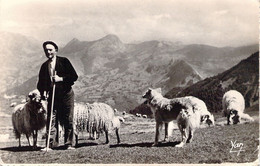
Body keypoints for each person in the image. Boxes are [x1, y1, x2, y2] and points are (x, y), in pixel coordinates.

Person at [37, 41, 78, 150]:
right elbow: (41, 83)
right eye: (46, 50)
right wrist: (43, 92)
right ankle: (51, 144)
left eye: (50, 50)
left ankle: (69, 143)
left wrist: (61, 79)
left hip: (66, 94)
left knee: (68, 118)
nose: (48, 52)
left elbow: (74, 76)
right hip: (53, 96)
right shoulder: (44, 66)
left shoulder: (64, 62)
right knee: (51, 118)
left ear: (56, 50)